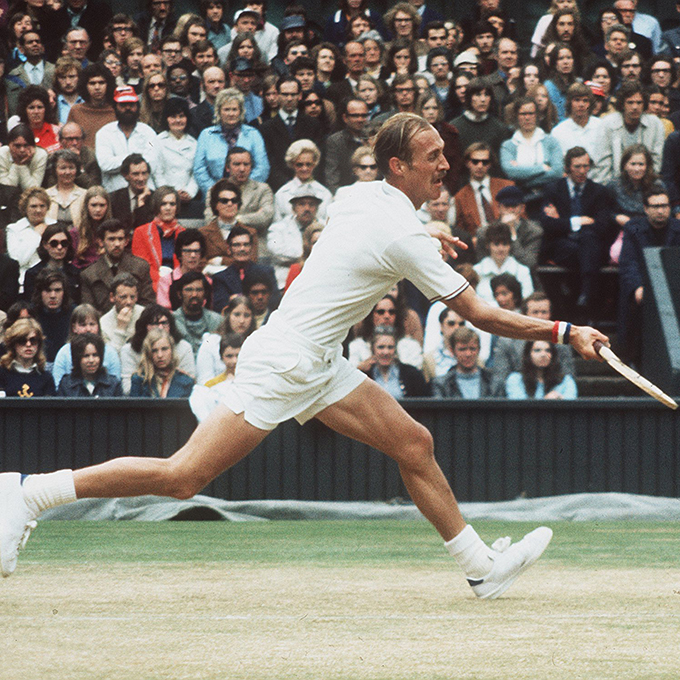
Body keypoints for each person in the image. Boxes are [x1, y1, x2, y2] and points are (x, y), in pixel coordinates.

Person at [0, 113, 608, 602]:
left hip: (317, 360)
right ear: (399, 166)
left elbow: (369, 234)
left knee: (413, 442)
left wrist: (427, 236)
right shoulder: (399, 230)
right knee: (183, 477)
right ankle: (28, 493)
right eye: (433, 159)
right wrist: (565, 329)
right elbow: (482, 316)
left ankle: (480, 568)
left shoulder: (362, 195)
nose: (445, 166)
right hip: (286, 362)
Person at [539, 146, 616, 311]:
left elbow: (602, 225)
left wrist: (563, 222)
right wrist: (578, 221)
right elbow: (548, 224)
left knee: (589, 241)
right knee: (583, 248)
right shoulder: (553, 189)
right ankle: (587, 293)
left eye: (586, 166)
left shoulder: (599, 191)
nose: (582, 171)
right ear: (567, 168)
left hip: (590, 244)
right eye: (577, 167)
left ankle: (585, 296)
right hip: (562, 246)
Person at [618, 186, 680, 365]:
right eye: (655, 206)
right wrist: (637, 287)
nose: (661, 210)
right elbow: (628, 262)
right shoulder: (634, 228)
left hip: (674, 286)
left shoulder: (678, 228)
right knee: (632, 304)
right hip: (644, 286)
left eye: (664, 206)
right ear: (646, 209)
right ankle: (632, 360)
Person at [489, 291, 575, 392]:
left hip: (553, 398)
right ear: (525, 315)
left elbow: (568, 378)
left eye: (544, 312)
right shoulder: (507, 342)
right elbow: (500, 380)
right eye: (535, 312)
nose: (540, 317)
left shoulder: (561, 342)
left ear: (550, 314)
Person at [193, 87, 269, 197]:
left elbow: (262, 168)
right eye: (226, 109)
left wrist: (242, 191)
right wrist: (216, 192)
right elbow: (199, 169)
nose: (231, 114)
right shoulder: (206, 135)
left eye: (234, 109)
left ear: (241, 111)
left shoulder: (253, 134)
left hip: (248, 196)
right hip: (214, 196)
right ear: (218, 111)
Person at [592, 80, 665, 185]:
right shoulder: (608, 123)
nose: (635, 107)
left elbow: (656, 161)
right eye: (630, 102)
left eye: (639, 103)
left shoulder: (655, 124)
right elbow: (602, 163)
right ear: (622, 104)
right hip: (614, 183)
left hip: (646, 183)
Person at [259, 77, 324, 193]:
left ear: (300, 96)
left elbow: (319, 159)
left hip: (310, 186)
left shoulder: (313, 124)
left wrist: (307, 183)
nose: (289, 99)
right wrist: (289, 186)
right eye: (285, 94)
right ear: (277, 95)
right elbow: (270, 163)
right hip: (280, 189)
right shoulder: (266, 128)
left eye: (293, 95)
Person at [80, 218, 154, 314]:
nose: (117, 244)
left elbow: (148, 304)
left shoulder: (140, 267)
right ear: (101, 242)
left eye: (120, 239)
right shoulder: (89, 274)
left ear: (126, 241)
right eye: (111, 239)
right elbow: (89, 312)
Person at [119, 303, 195, 393]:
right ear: (145, 326)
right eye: (154, 323)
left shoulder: (184, 347)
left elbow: (190, 384)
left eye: (164, 323)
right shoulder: (128, 350)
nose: (160, 327)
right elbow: (127, 390)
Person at [95, 85, 158, 193]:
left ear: (137, 107)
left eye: (131, 104)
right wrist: (135, 159)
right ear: (115, 107)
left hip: (145, 192)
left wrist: (120, 162)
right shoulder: (104, 133)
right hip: (114, 193)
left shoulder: (149, 133)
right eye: (123, 105)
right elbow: (105, 164)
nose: (128, 108)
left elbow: (151, 162)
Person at [499, 96, 564, 193]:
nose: (527, 118)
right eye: (523, 114)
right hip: (520, 197)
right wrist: (542, 168)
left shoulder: (551, 141)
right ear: (516, 116)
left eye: (531, 113)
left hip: (547, 195)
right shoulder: (508, 146)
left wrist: (523, 179)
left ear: (537, 115)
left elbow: (557, 172)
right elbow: (510, 172)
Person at [608, 144, 660, 264]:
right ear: (625, 165)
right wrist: (616, 217)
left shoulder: (657, 184)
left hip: (652, 230)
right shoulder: (614, 185)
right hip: (625, 231)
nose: (637, 169)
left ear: (647, 166)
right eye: (633, 164)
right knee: (616, 255)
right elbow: (605, 210)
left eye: (641, 164)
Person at [51, 303, 122, 388]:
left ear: (98, 326)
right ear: (74, 328)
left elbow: (115, 385)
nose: (88, 329)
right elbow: (58, 385)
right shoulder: (64, 353)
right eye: (83, 325)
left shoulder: (110, 353)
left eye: (92, 324)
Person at [267, 185, 324, 291]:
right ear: (293, 208)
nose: (307, 209)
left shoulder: (325, 227)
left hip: (319, 280)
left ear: (316, 208)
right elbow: (277, 251)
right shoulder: (278, 228)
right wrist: (309, 253)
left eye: (311, 205)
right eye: (302, 204)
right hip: (284, 281)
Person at [454, 142, 514, 239]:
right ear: (467, 163)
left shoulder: (507, 187)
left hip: (507, 239)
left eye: (485, 162)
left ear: (490, 164)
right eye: (475, 161)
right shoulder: (460, 197)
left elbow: (521, 218)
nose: (480, 166)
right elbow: (460, 231)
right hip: (478, 244)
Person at [211, 226, 277, 314]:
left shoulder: (267, 272)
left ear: (251, 248)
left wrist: (237, 298)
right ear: (229, 249)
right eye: (237, 245)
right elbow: (221, 307)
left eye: (246, 244)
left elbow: (274, 302)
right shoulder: (220, 278)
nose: (242, 249)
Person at [476, 186, 543, 271]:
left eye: (514, 206)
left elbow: (529, 263)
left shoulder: (533, 231)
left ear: (522, 208)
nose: (511, 210)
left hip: (522, 277)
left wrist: (512, 233)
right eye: (506, 206)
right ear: (499, 208)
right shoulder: (484, 232)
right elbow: (482, 263)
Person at [131, 186, 185, 291]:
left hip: (179, 285)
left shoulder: (184, 233)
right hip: (151, 286)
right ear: (156, 206)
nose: (168, 208)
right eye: (163, 204)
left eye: (172, 204)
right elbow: (142, 267)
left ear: (177, 207)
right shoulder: (141, 232)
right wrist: (164, 283)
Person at [195, 295, 256, 384]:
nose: (242, 320)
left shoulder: (257, 343)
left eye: (246, 315)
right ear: (228, 314)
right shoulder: (211, 342)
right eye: (237, 314)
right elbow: (204, 381)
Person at [6, 187, 56, 291]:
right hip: (24, 282)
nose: (38, 210)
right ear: (25, 208)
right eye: (33, 206)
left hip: (53, 279)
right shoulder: (14, 229)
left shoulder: (55, 225)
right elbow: (18, 260)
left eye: (42, 206)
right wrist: (36, 235)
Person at [432, 326, 503, 398]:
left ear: (479, 349)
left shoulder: (494, 382)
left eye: (472, 349)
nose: (468, 354)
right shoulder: (441, 384)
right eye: (462, 349)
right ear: (452, 351)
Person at [154, 97, 199, 211]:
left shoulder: (194, 143)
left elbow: (196, 173)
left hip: (188, 200)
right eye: (173, 117)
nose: (178, 120)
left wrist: (189, 192)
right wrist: (170, 194)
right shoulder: (157, 141)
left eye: (181, 116)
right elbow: (157, 172)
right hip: (164, 201)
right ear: (166, 119)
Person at [473, 222, 533, 306]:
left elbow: (526, 301)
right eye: (496, 244)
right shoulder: (476, 271)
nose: (501, 249)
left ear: (510, 245)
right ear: (488, 245)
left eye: (505, 244)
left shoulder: (522, 271)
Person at [273, 139, 332, 222]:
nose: (304, 169)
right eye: (299, 165)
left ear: (314, 164)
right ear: (292, 164)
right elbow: (277, 225)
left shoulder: (325, 194)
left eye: (308, 164)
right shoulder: (281, 194)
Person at [363, 326, 430, 398]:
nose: (386, 352)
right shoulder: (365, 376)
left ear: (395, 350)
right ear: (373, 349)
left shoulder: (412, 374)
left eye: (390, 347)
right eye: (381, 347)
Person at [23, 223, 80, 304]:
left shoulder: (76, 273)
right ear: (45, 245)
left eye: (64, 243)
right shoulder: (33, 274)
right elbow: (30, 304)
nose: (59, 247)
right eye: (54, 243)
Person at [0, 317, 56, 397]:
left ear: (39, 344)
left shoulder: (46, 377)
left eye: (33, 340)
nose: (28, 345)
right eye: (22, 340)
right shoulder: (2, 374)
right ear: (13, 344)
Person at [323, 98, 369, 194]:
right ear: (345, 118)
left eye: (363, 115)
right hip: (346, 194)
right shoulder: (335, 141)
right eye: (355, 116)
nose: (360, 119)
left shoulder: (373, 138)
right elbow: (332, 177)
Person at [56, 332, 123, 397]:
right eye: (86, 356)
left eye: (95, 355)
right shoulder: (66, 384)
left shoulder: (114, 384)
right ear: (77, 358)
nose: (91, 360)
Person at [506, 340, 577, 400]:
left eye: (548, 350)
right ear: (528, 354)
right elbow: (519, 407)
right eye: (537, 350)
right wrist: (546, 402)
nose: (543, 354)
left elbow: (571, 404)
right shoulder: (515, 379)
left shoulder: (566, 380)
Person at [172, 272, 222, 356]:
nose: (194, 294)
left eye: (199, 290)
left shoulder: (217, 320)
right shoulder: (172, 321)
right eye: (189, 290)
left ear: (205, 294)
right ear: (179, 294)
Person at [107, 154, 156, 232]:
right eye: (136, 174)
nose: (141, 178)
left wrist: (141, 204)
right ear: (125, 175)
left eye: (144, 173)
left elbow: (146, 229)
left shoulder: (155, 198)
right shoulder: (114, 199)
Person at [99, 273, 145, 352]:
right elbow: (112, 358)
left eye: (132, 297)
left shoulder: (145, 314)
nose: (129, 302)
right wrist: (120, 328)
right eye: (123, 297)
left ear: (137, 296)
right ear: (112, 297)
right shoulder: (103, 324)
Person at [71, 185, 112, 269]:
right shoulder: (75, 233)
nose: (98, 210)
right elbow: (74, 262)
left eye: (102, 205)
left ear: (107, 206)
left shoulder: (113, 230)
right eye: (94, 205)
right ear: (86, 206)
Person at [45, 149, 86, 230]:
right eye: (63, 168)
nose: (67, 172)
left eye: (71, 168)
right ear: (54, 170)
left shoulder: (85, 195)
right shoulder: (46, 195)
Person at [0, 124, 48, 191]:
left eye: (26, 145)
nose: (22, 150)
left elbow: (33, 190)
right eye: (17, 146)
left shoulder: (40, 155)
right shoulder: (2, 153)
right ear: (9, 145)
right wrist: (17, 164)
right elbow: (5, 190)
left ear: (33, 146)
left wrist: (21, 165)